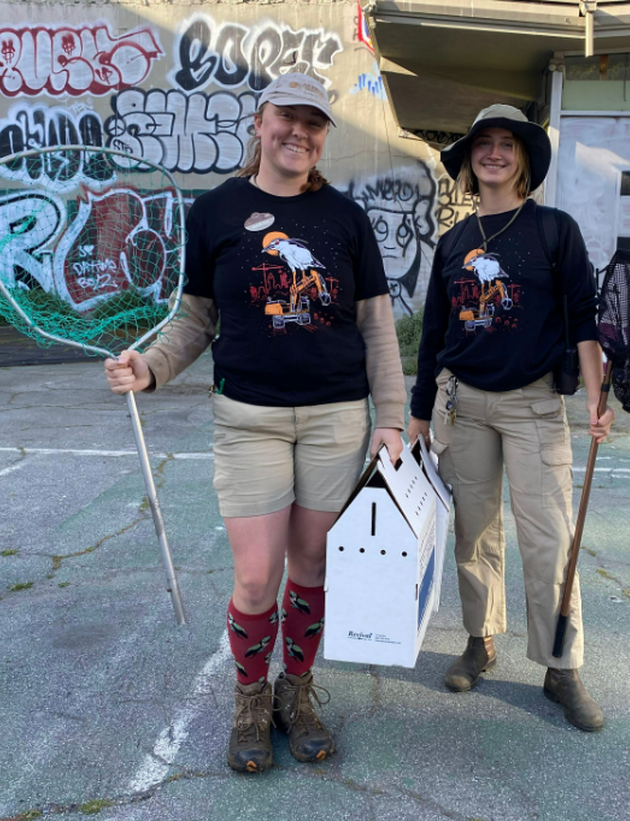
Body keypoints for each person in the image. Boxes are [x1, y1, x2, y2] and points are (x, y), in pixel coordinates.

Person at [104, 73, 406, 772]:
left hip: (334, 419)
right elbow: (195, 320)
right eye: (286, 118)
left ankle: (294, 694)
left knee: (312, 567)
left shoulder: (345, 218)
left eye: (314, 122)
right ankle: (249, 697)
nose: (298, 131)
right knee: (256, 575)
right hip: (248, 421)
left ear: (324, 135)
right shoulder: (214, 212)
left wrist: (390, 418)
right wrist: (150, 367)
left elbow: (378, 331)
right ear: (259, 121)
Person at [406, 104, 614, 732]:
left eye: (506, 144)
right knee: (474, 532)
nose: (493, 153)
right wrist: (418, 413)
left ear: (523, 159)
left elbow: (583, 319)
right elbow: (433, 334)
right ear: (469, 160)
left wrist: (598, 399)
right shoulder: (453, 242)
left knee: (548, 538)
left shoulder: (555, 229)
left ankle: (561, 666)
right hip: (463, 403)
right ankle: (480, 639)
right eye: (482, 145)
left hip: (533, 404)